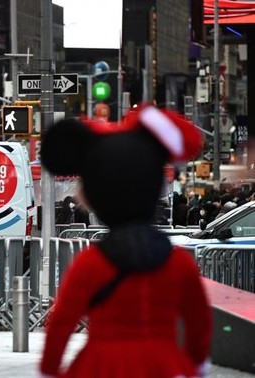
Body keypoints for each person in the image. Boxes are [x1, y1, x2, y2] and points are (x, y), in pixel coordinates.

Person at [39, 106, 212, 377]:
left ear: (93, 196)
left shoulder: (91, 263)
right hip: (164, 364)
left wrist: (50, 368)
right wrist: (195, 363)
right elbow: (199, 322)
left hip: (101, 364)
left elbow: (61, 321)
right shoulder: (179, 263)